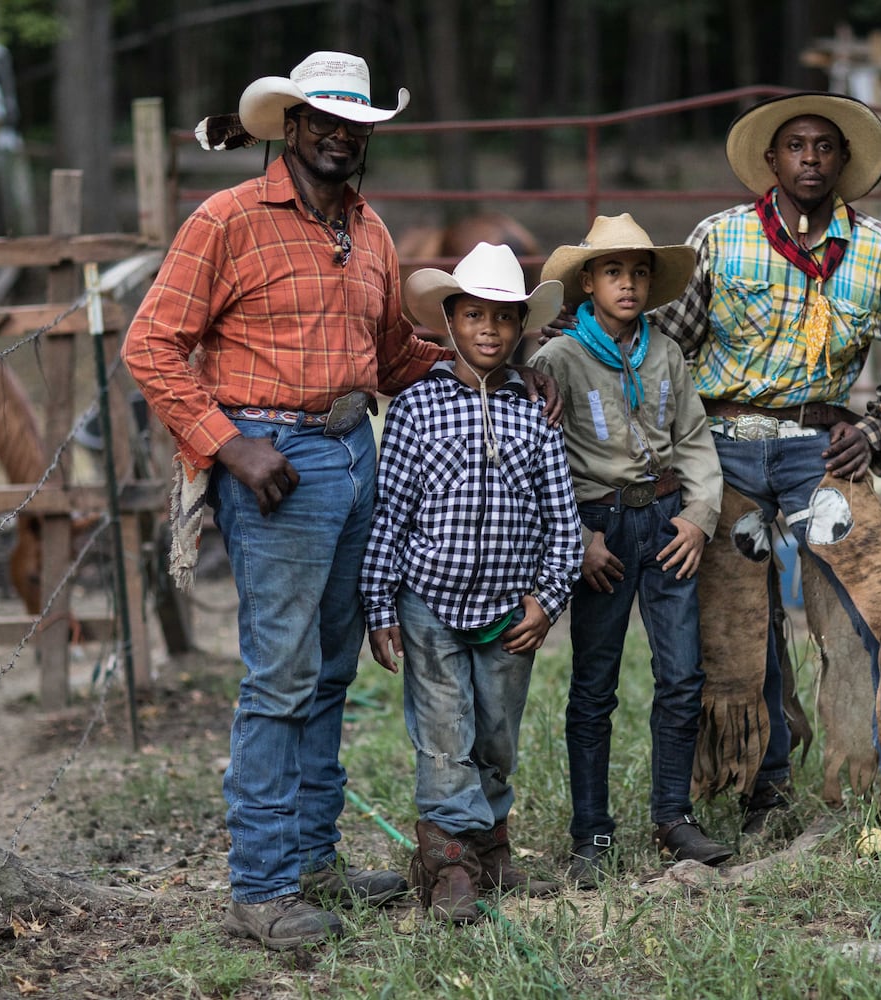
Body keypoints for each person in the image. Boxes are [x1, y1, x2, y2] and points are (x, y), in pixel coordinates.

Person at [123, 52, 556, 951]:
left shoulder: (369, 231)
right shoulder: (229, 219)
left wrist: (497, 372)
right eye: (322, 118)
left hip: (357, 452)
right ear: (289, 125)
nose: (338, 135)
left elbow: (393, 355)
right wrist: (227, 443)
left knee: (328, 672)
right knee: (278, 678)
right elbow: (151, 345)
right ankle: (263, 886)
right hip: (274, 457)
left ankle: (313, 859)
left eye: (354, 123)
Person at [648, 92, 881, 841]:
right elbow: (667, 343)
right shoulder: (720, 240)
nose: (811, 159)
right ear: (772, 160)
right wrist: (670, 450)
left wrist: (878, 427)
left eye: (825, 147)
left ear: (843, 161)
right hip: (722, 445)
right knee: (736, 624)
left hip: (818, 447)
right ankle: (765, 784)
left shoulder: (879, 248)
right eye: (796, 147)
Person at [360, 243, 583, 923]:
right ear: (450, 321)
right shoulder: (417, 407)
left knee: (496, 735)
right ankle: (448, 863)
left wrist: (548, 599)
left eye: (504, 319)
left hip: (511, 609)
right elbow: (391, 509)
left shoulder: (534, 414)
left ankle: (490, 846)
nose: (489, 330)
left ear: (521, 328)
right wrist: (379, 602)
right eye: (475, 316)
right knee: (443, 732)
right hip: (429, 601)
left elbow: (563, 520)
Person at [529, 215, 731, 887]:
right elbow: (544, 457)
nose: (628, 284)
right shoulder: (556, 361)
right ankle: (591, 831)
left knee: (681, 675)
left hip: (667, 523)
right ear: (587, 282)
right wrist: (577, 537)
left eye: (640, 272)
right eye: (614, 271)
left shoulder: (665, 352)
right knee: (594, 683)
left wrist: (700, 516)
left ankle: (673, 816)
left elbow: (694, 436)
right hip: (600, 531)